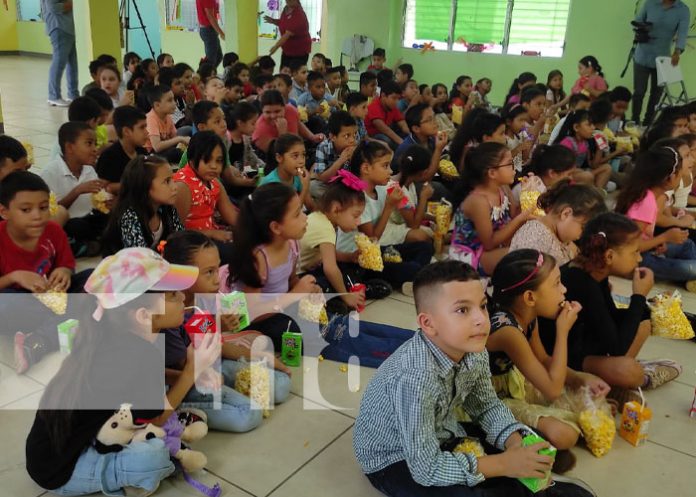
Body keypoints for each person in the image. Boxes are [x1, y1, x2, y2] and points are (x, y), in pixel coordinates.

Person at [354, 260, 596, 497]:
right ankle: (515, 486)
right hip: (395, 459)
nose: (481, 319)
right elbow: (425, 469)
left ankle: (529, 483)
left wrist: (513, 443)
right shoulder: (414, 379)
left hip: (442, 429)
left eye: (482, 305)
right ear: (428, 324)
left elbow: (487, 406)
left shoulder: (474, 350)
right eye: (462, 310)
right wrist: (504, 464)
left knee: (530, 441)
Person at [25, 247, 216, 496]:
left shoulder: (114, 337)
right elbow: (155, 418)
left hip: (70, 442)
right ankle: (123, 476)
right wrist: (192, 370)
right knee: (156, 457)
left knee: (178, 420)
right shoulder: (136, 354)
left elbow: (137, 386)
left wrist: (185, 375)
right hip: (61, 469)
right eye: (171, 294)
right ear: (144, 315)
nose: (182, 297)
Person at [539, 212, 682, 399]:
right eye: (634, 252)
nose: (639, 259)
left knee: (644, 321)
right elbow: (617, 348)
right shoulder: (584, 283)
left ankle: (613, 383)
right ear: (609, 256)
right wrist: (638, 295)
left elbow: (611, 318)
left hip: (587, 342)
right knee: (632, 372)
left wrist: (645, 305)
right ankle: (617, 384)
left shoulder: (595, 273)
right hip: (563, 357)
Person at [160, 230, 292, 432]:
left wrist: (258, 356)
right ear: (182, 274)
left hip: (211, 367)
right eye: (209, 272)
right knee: (247, 415)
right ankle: (180, 412)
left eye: (217, 268)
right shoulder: (169, 315)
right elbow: (188, 366)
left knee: (281, 385)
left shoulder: (204, 297)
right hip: (184, 381)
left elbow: (216, 345)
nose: (217, 279)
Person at [488, 250, 610, 452]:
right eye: (556, 283)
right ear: (530, 297)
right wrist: (563, 332)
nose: (564, 289)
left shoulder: (528, 317)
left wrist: (579, 377)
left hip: (514, 382)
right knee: (564, 435)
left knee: (585, 392)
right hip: (490, 397)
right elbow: (552, 390)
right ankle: (514, 439)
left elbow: (543, 359)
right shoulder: (508, 331)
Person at [0, 171, 84, 373]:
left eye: (43, 208)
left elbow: (67, 263)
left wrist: (64, 271)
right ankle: (70, 322)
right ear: (4, 212)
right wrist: (14, 276)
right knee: (5, 304)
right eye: (26, 210)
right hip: (20, 300)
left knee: (95, 277)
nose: (37, 215)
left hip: (53, 296)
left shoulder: (53, 231)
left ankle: (43, 336)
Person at [224, 183, 316, 349]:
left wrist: (307, 290)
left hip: (277, 304)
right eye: (297, 214)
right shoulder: (258, 258)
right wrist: (295, 294)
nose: (305, 217)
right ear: (275, 227)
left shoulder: (292, 243)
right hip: (253, 315)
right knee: (298, 339)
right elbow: (251, 312)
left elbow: (291, 279)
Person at [336, 141, 434, 293]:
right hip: (357, 260)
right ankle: (415, 277)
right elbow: (372, 239)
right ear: (366, 168)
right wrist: (389, 207)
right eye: (385, 166)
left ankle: (414, 278)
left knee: (425, 247)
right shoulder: (357, 198)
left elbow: (411, 219)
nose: (390, 171)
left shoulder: (381, 189)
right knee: (412, 267)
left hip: (375, 252)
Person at [615, 143, 696, 288]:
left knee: (687, 245)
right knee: (692, 268)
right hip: (635, 259)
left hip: (644, 250)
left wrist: (659, 242)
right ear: (670, 178)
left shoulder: (649, 195)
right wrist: (665, 237)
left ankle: (689, 278)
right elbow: (632, 245)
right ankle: (689, 276)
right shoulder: (646, 202)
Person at [450, 142, 530, 275]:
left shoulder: (501, 189)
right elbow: (489, 243)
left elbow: (511, 220)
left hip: (489, 249)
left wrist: (526, 196)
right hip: (470, 255)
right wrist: (521, 219)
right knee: (523, 259)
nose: (514, 168)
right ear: (492, 173)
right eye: (510, 163)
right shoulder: (478, 201)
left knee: (531, 245)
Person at [40, 122, 109, 256]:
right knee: (76, 226)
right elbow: (51, 213)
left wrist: (105, 203)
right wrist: (77, 191)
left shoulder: (89, 170)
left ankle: (87, 245)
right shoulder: (50, 172)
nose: (95, 149)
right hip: (69, 223)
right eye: (89, 144)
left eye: (95, 144)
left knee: (110, 219)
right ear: (70, 147)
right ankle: (75, 246)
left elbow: (96, 202)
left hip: (89, 218)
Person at [510, 180, 606, 266]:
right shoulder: (535, 238)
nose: (582, 235)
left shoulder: (561, 235)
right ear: (566, 214)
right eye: (583, 228)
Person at [101, 155, 183, 255]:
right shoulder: (129, 216)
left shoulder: (168, 208)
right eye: (167, 181)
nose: (175, 187)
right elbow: (140, 259)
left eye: (173, 180)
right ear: (145, 185)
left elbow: (181, 240)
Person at [632, 0, 691, 126]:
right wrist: (641, 28)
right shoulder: (650, 3)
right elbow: (638, 20)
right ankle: (634, 121)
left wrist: (677, 51)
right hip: (642, 54)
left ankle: (648, 123)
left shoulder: (683, 10)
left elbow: (682, 33)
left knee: (656, 94)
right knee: (639, 92)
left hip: (662, 58)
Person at [174, 131, 238, 241]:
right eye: (207, 160)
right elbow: (176, 231)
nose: (214, 166)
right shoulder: (183, 186)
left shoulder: (214, 183)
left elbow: (232, 216)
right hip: (191, 245)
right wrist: (211, 233)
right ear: (192, 160)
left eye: (219, 161)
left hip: (211, 237)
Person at [95, 105, 148, 193]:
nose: (147, 132)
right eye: (142, 127)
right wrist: (137, 184)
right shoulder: (109, 157)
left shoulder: (141, 151)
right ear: (126, 131)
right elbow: (102, 189)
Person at [310, 111, 357, 199]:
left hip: (345, 185)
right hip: (328, 184)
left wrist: (354, 158)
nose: (352, 140)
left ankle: (338, 198)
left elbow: (356, 175)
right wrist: (341, 160)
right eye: (347, 136)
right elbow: (323, 178)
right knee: (313, 186)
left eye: (354, 135)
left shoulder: (355, 147)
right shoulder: (323, 147)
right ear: (333, 137)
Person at [261, 134, 313, 211]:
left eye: (303, 155)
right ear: (279, 158)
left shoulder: (297, 176)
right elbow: (289, 215)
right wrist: (305, 188)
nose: (301, 161)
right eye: (295, 156)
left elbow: (310, 206)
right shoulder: (271, 184)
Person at [42, 0, 78, 107]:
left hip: (68, 28)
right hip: (59, 27)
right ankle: (54, 96)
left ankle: (73, 94)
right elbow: (53, 7)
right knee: (59, 62)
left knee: (72, 64)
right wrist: (72, 4)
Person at [145, 85, 190, 164]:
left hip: (165, 151)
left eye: (173, 99)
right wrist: (180, 139)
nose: (175, 103)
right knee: (176, 153)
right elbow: (157, 147)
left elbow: (174, 138)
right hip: (150, 155)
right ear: (157, 105)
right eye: (170, 100)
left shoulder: (167, 116)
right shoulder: (151, 118)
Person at [265, 0, 313, 68]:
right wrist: (273, 21)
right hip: (287, 51)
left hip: (299, 52)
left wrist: (275, 47)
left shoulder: (299, 14)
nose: (287, 1)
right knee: (284, 72)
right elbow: (284, 23)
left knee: (296, 72)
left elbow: (287, 34)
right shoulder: (286, 9)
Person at [365, 81, 408, 149]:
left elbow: (402, 124)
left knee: (406, 136)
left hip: (385, 134)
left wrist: (412, 135)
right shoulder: (374, 106)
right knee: (385, 139)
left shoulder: (393, 107)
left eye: (398, 99)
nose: (396, 102)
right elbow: (384, 129)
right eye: (394, 98)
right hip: (371, 137)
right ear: (383, 95)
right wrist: (402, 142)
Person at [196, 0, 225, 69]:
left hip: (208, 30)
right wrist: (221, 33)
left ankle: (210, 74)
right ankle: (204, 76)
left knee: (218, 56)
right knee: (210, 60)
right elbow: (210, 17)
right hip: (208, 30)